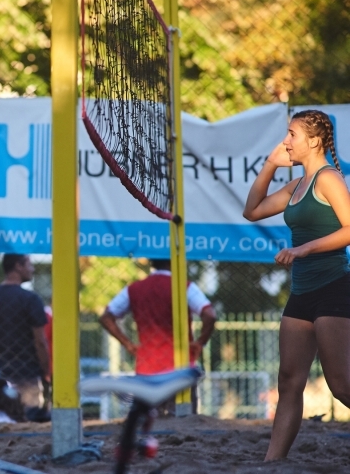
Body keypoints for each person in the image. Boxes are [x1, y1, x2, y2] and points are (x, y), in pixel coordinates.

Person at [243, 109, 350, 461]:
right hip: (302, 293)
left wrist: (304, 248)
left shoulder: (328, 178)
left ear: (314, 140)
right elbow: (252, 211)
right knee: (289, 381)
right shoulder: (297, 184)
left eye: (292, 134)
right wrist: (271, 164)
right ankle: (271, 463)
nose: (286, 141)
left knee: (342, 385)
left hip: (334, 287)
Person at [99, 258, 217, 414]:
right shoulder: (184, 286)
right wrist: (200, 342)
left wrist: (127, 344)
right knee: (185, 420)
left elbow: (106, 317)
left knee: (150, 422)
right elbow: (210, 315)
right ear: (174, 263)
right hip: (179, 365)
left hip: (148, 366)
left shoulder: (134, 289)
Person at [0, 254, 50, 410]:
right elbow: (40, 341)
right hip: (27, 372)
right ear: (18, 266)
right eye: (29, 264)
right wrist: (45, 370)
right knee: (28, 420)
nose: (33, 269)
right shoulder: (31, 299)